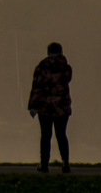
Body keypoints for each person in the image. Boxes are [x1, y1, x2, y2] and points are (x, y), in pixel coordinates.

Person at [28, 42, 72, 173]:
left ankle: (44, 163)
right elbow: (67, 80)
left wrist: (32, 105)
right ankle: (65, 162)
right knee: (61, 135)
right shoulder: (66, 68)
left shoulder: (41, 67)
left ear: (48, 52)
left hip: (45, 107)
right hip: (62, 107)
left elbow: (36, 87)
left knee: (46, 135)